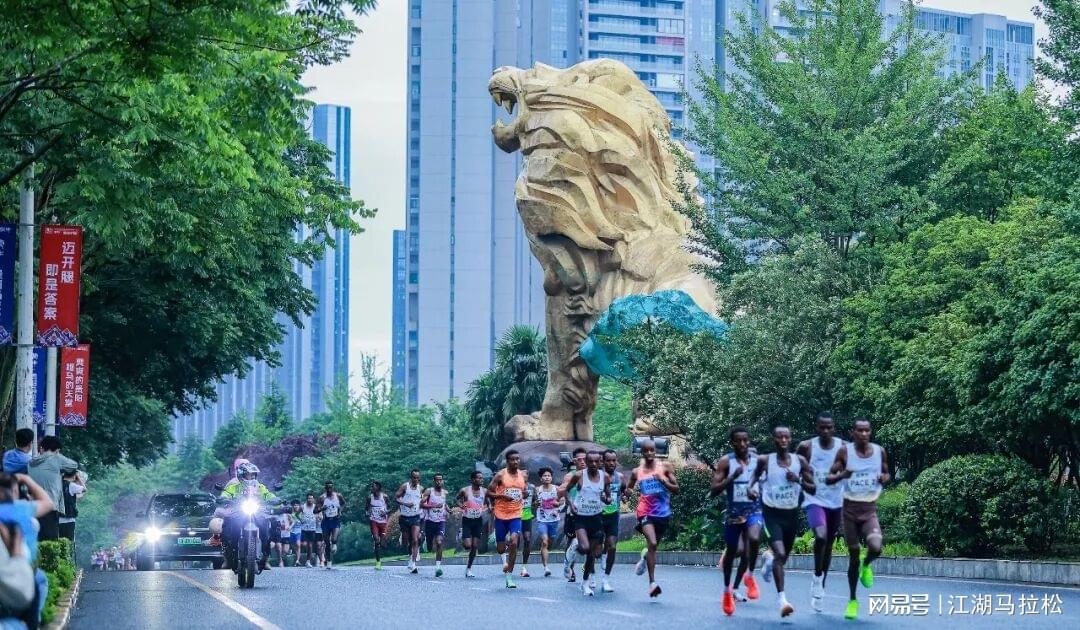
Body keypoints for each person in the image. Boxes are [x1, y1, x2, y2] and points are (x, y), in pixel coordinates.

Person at [748, 426, 816, 618]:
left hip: (791, 516)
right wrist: (751, 489)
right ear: (774, 440)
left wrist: (797, 480)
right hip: (772, 515)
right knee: (781, 553)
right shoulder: (765, 460)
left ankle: (768, 558)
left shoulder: (800, 461)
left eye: (786, 437)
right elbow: (753, 478)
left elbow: (812, 488)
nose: (783, 440)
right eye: (780, 437)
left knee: (782, 558)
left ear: (790, 439)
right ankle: (782, 600)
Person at [827, 418, 890, 621]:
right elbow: (829, 478)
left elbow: (886, 473)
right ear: (853, 432)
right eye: (860, 431)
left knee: (876, 547)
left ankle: (867, 564)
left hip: (869, 509)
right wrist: (843, 474)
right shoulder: (845, 452)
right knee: (853, 555)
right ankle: (853, 600)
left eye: (867, 431)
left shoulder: (879, 451)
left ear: (870, 432)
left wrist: (884, 478)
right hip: (850, 511)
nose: (864, 434)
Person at [796, 411, 845, 611]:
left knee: (829, 543)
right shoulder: (806, 447)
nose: (825, 431)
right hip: (814, 500)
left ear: (834, 429)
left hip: (835, 502)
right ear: (817, 428)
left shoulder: (843, 447)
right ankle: (817, 576)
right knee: (821, 537)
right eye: (822, 427)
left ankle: (821, 584)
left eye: (829, 427)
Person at [712, 426, 764, 615]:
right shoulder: (726, 462)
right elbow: (714, 490)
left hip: (754, 510)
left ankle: (749, 576)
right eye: (738, 441)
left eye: (745, 440)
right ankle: (727, 591)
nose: (742, 444)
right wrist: (732, 478)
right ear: (732, 443)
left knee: (754, 539)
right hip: (734, 515)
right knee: (735, 550)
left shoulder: (759, 461)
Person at [626, 439, 678, 598]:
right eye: (646, 450)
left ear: (655, 451)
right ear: (641, 452)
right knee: (653, 543)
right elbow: (629, 487)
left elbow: (676, 489)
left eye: (652, 450)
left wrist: (663, 481)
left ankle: (644, 557)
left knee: (652, 548)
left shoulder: (665, 467)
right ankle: (652, 583)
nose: (649, 453)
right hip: (645, 512)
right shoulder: (637, 471)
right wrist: (627, 493)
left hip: (662, 513)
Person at [561, 451, 611, 597]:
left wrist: (607, 499)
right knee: (584, 548)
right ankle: (572, 552)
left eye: (597, 461)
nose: (594, 464)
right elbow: (566, 491)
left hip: (596, 517)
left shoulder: (605, 477)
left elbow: (607, 494)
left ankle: (585, 583)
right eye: (590, 461)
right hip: (581, 517)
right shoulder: (579, 476)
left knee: (593, 554)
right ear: (587, 462)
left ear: (600, 462)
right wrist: (571, 504)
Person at [219, 461, 278, 571]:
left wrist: (274, 498)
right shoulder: (234, 487)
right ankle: (228, 557)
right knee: (226, 527)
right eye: (248, 475)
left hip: (256, 512)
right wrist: (223, 498)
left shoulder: (260, 487)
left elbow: (268, 494)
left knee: (268, 528)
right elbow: (225, 494)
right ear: (241, 475)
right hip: (238, 512)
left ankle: (265, 558)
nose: (251, 477)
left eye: (253, 475)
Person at [488, 450, 528, 589]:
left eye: (517, 459)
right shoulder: (500, 475)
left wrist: (525, 494)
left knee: (514, 541)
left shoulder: (523, 475)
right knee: (500, 549)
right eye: (512, 459)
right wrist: (502, 496)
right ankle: (503, 550)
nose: (515, 462)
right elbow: (489, 492)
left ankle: (509, 575)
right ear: (507, 461)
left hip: (516, 514)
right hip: (500, 514)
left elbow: (524, 491)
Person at [28, 436, 78, 541]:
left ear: (41, 448)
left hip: (33, 505)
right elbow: (73, 465)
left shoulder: (31, 463)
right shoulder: (56, 458)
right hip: (50, 505)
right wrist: (56, 454)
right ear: (57, 450)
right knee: (50, 540)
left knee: (36, 539)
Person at [560, 447, 587, 582]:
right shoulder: (570, 476)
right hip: (573, 513)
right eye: (579, 459)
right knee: (572, 541)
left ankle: (588, 568)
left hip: (590, 513)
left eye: (585, 459)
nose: (582, 462)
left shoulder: (594, 475)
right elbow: (562, 490)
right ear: (574, 461)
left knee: (592, 541)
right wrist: (568, 502)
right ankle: (570, 567)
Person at [600, 449, 624, 593]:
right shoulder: (597, 477)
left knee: (612, 546)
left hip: (613, 515)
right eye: (608, 460)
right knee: (595, 548)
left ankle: (606, 579)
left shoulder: (620, 477)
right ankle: (590, 576)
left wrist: (626, 495)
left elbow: (624, 491)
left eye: (614, 460)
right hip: (597, 516)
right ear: (603, 462)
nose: (611, 463)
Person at [456, 471, 487, 578]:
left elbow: (489, 501)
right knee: (467, 546)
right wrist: (461, 505)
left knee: (474, 546)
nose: (481, 480)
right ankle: (461, 535)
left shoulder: (484, 491)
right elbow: (456, 499)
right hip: (467, 520)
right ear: (473, 479)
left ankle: (469, 568)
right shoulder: (465, 490)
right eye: (479, 478)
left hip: (478, 520)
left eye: (482, 478)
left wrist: (490, 507)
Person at [533, 468, 562, 577]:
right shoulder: (537, 490)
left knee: (550, 542)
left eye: (549, 476)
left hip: (554, 520)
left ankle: (544, 551)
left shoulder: (557, 489)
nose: (547, 477)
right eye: (545, 476)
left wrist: (558, 507)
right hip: (542, 520)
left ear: (551, 477)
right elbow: (533, 503)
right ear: (541, 478)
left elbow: (563, 502)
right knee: (545, 541)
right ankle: (546, 567)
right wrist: (535, 503)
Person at [395, 470, 424, 574]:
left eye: (417, 477)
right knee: (407, 541)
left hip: (415, 517)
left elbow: (423, 501)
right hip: (404, 517)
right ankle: (410, 555)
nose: (416, 479)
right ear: (411, 478)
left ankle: (413, 563)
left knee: (415, 539)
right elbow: (396, 497)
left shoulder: (421, 489)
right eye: (414, 477)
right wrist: (405, 504)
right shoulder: (405, 487)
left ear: (419, 478)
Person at [420, 473, 449, 577]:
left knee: (439, 542)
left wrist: (448, 510)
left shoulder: (445, 492)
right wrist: (434, 506)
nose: (439, 482)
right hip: (430, 521)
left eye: (440, 480)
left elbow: (444, 504)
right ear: (434, 481)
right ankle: (427, 541)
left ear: (443, 481)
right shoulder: (429, 491)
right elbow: (421, 504)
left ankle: (438, 568)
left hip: (441, 521)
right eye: (437, 480)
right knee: (429, 547)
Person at [316, 481, 345, 569]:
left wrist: (340, 511)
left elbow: (343, 503)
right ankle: (328, 561)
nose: (329, 489)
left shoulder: (338, 496)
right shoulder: (322, 498)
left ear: (333, 487)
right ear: (325, 488)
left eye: (330, 487)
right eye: (327, 487)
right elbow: (315, 510)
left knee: (334, 539)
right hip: (326, 521)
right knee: (327, 543)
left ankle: (334, 543)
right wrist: (321, 508)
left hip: (335, 520)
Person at [365, 481, 390, 570]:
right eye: (371, 486)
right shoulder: (369, 498)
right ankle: (378, 562)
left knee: (382, 544)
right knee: (376, 540)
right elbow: (366, 509)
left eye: (373, 486)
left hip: (383, 522)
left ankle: (380, 545)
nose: (371, 488)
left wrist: (385, 512)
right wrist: (367, 513)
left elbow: (390, 508)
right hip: (374, 521)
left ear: (378, 487)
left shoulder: (385, 497)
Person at [58, 469, 86, 542]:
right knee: (69, 542)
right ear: (74, 475)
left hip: (57, 519)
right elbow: (84, 489)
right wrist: (78, 478)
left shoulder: (56, 485)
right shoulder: (71, 485)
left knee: (59, 542)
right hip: (69, 519)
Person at [518, 479, 536, 578]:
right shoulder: (514, 485)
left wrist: (536, 504)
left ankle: (524, 567)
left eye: (526, 475)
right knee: (513, 541)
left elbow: (534, 501)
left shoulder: (532, 487)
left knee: (527, 539)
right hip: (514, 515)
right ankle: (509, 563)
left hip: (527, 516)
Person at [298, 494, 318, 567]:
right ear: (306, 499)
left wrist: (316, 517)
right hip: (304, 528)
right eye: (309, 498)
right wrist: (301, 519)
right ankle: (308, 555)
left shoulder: (315, 507)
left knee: (310, 545)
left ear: (313, 499)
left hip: (312, 528)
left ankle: (308, 561)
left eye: (311, 498)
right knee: (304, 544)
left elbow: (319, 513)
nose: (310, 500)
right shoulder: (303, 507)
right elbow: (297, 514)